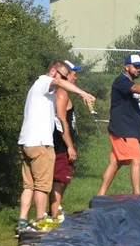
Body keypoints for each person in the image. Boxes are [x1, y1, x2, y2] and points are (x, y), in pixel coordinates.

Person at [18, 60, 96, 236]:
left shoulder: (40, 89)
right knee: (42, 186)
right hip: (39, 144)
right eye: (62, 76)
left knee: (29, 186)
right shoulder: (44, 82)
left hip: (26, 141)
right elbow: (59, 83)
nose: (64, 80)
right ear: (53, 71)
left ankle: (22, 223)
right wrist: (84, 93)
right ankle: (40, 223)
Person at [96, 54, 140, 196]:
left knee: (115, 163)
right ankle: (137, 196)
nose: (138, 69)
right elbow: (134, 88)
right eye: (135, 66)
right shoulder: (121, 80)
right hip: (124, 131)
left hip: (129, 131)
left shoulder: (128, 82)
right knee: (137, 159)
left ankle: (100, 196)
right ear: (126, 66)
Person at [49, 59, 83, 223]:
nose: (75, 77)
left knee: (63, 179)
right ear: (65, 75)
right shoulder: (61, 93)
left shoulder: (63, 93)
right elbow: (61, 120)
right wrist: (69, 146)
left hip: (64, 144)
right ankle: (55, 214)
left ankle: (56, 209)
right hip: (61, 145)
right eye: (73, 74)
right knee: (60, 179)